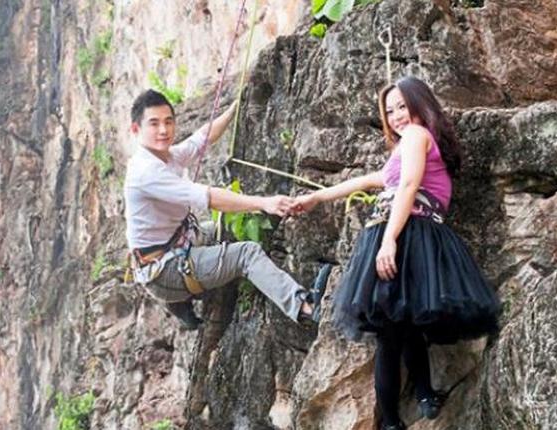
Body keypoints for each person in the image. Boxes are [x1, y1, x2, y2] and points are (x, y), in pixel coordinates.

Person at [293, 76, 500, 430]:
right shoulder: (404, 147)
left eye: (402, 106)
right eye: (389, 111)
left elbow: (408, 185)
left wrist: (389, 239)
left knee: (393, 330)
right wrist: (316, 197)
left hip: (407, 233)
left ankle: (394, 419)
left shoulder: (418, 137)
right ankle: (423, 396)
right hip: (404, 234)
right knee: (400, 324)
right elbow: (370, 180)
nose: (396, 116)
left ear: (421, 104)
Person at [124, 89, 323, 329]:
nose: (164, 130)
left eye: (168, 121)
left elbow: (202, 138)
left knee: (218, 228)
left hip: (179, 242)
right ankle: (305, 308)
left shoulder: (166, 156)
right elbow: (209, 197)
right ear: (136, 130)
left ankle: (181, 299)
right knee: (247, 254)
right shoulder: (146, 172)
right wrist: (264, 202)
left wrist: (234, 108)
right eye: (154, 124)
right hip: (165, 269)